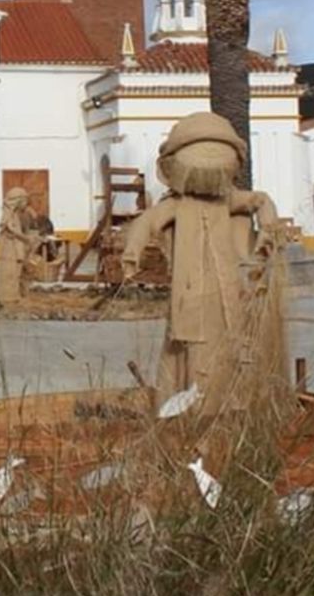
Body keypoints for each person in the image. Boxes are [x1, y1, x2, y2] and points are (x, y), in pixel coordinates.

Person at [120, 112, 286, 413]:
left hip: (229, 289)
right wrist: (132, 254)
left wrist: (268, 231)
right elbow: (146, 222)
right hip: (191, 293)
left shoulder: (228, 201)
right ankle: (196, 408)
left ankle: (228, 403)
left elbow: (260, 200)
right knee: (194, 348)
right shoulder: (175, 205)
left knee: (232, 343)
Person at [0, 188, 36, 303]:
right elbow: (11, 229)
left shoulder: (16, 214)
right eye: (25, 201)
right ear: (18, 201)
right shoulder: (8, 214)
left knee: (16, 270)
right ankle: (8, 295)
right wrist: (26, 238)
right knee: (10, 270)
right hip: (9, 247)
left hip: (15, 245)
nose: (26, 204)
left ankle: (14, 293)